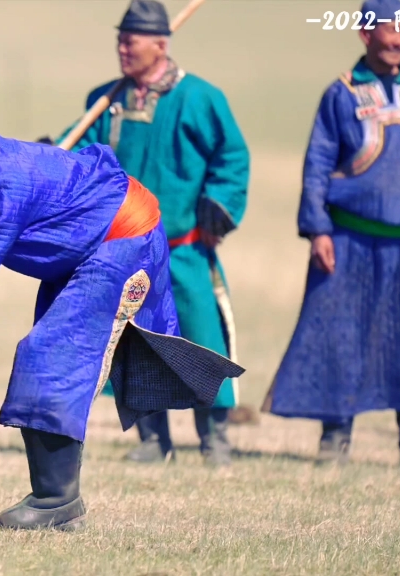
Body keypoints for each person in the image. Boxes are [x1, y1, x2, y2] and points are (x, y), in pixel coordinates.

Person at [0, 110, 243, 531]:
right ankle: (56, 501)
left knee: (47, 356)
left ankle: (55, 501)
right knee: (46, 355)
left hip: (121, 241)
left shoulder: (7, 184)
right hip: (82, 250)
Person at [54, 0, 250, 466]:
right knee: (134, 340)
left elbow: (233, 158)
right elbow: (85, 155)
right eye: (120, 38)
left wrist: (216, 208)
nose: (123, 47)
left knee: (201, 339)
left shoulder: (200, 98)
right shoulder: (105, 100)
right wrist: (52, 159)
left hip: (182, 247)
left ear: (161, 43)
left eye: (132, 39)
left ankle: (214, 437)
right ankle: (152, 439)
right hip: (125, 250)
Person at [265, 0, 400, 466]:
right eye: (391, 30)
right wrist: (318, 229)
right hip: (349, 240)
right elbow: (318, 165)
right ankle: (335, 439)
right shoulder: (342, 95)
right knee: (340, 336)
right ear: (366, 35)